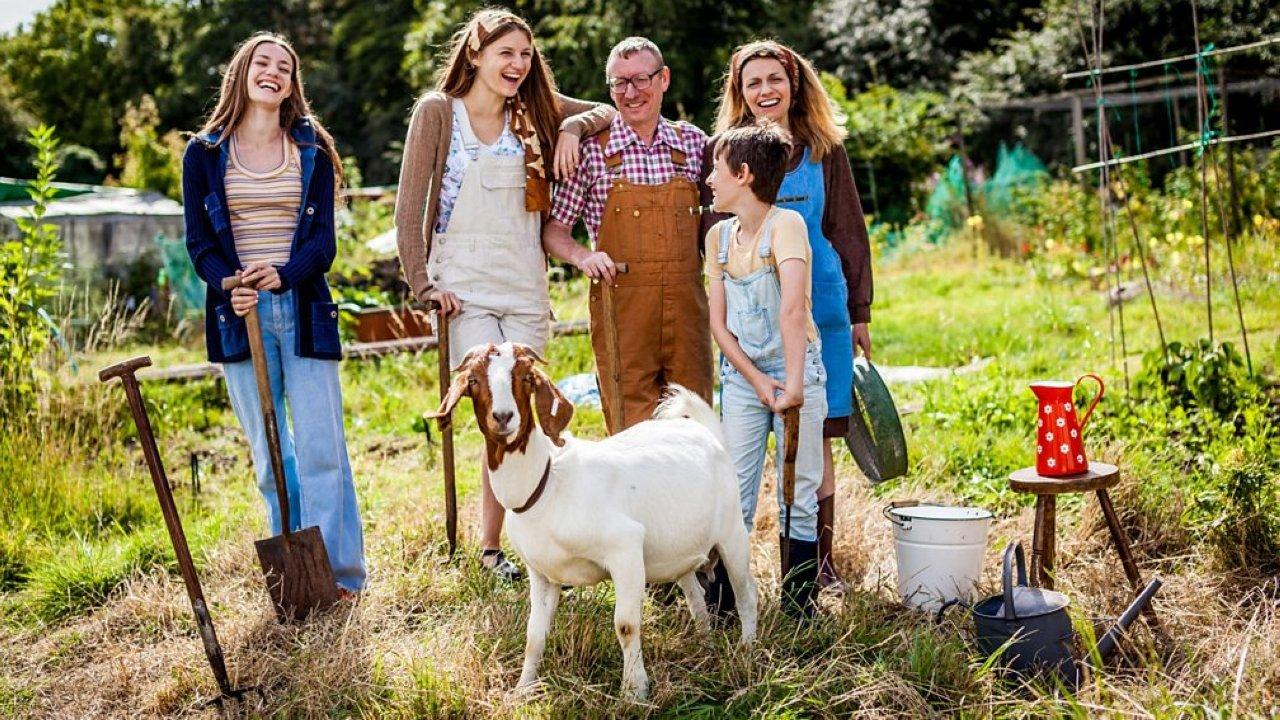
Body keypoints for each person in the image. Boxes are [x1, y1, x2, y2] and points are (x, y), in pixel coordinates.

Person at [394, 8, 614, 581]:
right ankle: (491, 548)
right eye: (505, 53)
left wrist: (571, 129)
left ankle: (539, 540)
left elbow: (607, 111)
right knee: (495, 409)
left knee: (525, 411)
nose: (517, 65)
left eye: (525, 55)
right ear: (474, 54)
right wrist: (424, 284)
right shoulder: (439, 113)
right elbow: (408, 208)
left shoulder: (536, 108)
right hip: (462, 285)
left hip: (523, 280)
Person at [182, 33, 365, 596]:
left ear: (291, 85)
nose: (274, 71)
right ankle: (297, 580)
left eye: (285, 67)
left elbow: (323, 244)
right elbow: (199, 244)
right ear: (241, 72)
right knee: (270, 456)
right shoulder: (203, 153)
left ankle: (339, 577)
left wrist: (284, 274)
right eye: (263, 62)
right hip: (240, 316)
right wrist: (230, 285)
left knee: (322, 451)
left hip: (304, 309)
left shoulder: (311, 149)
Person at [702, 40, 874, 590]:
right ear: (739, 92)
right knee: (746, 455)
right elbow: (718, 243)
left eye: (775, 79)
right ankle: (735, 572)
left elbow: (848, 227)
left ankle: (816, 565)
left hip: (819, 307)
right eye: (752, 82)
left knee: (814, 439)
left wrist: (859, 309)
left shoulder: (823, 149)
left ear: (794, 84)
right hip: (754, 316)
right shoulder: (728, 154)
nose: (765, 90)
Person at [542, 37, 713, 434]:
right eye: (619, 83)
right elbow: (554, 230)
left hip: (687, 310)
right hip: (623, 310)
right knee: (633, 432)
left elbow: (722, 222)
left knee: (696, 423)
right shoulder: (590, 151)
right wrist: (583, 256)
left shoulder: (695, 144)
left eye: (640, 80)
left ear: (663, 79)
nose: (631, 93)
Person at [704, 121, 827, 617]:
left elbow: (792, 310)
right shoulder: (717, 238)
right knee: (734, 490)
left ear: (744, 174)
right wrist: (756, 381)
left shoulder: (786, 226)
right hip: (742, 376)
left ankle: (799, 606)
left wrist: (793, 386)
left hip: (797, 368)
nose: (709, 178)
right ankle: (725, 604)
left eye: (717, 168)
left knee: (799, 490)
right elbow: (719, 325)